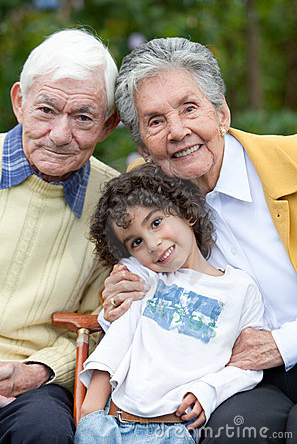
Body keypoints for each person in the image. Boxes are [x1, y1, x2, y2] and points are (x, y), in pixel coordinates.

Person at [102, 37, 297, 442]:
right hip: (238, 378)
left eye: (189, 108)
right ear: (143, 146)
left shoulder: (292, 164)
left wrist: (283, 343)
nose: (177, 132)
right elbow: (134, 289)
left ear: (221, 112)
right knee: (234, 435)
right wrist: (117, 298)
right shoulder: (147, 204)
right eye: (155, 121)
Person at [74, 163, 264, 444]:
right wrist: (90, 413)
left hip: (177, 432)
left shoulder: (240, 289)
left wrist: (210, 389)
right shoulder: (144, 279)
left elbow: (248, 365)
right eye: (136, 241)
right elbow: (116, 341)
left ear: (186, 212)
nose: (151, 244)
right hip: (113, 425)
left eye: (156, 222)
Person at [0, 28, 120, 443]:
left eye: (83, 117)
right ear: (19, 102)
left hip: (32, 381)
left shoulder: (118, 205)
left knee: (45, 432)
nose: (59, 134)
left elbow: (108, 323)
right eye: (46, 110)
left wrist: (39, 371)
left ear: (107, 125)